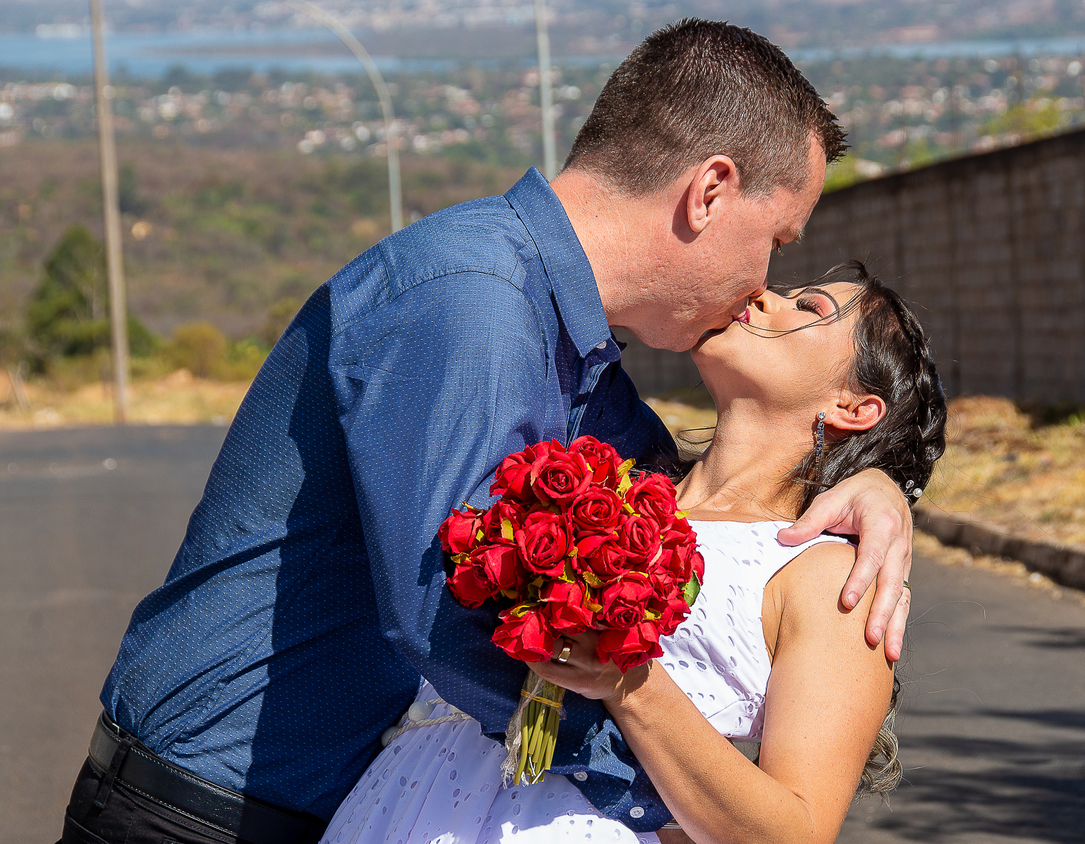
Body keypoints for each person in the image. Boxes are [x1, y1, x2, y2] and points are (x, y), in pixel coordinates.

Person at [59, 20, 916, 844]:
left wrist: (874, 484)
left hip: (322, 805)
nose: (765, 278)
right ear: (710, 191)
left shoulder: (562, 342)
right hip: (207, 811)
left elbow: (676, 494)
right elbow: (451, 617)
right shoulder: (474, 302)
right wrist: (665, 799)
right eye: (778, 238)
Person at [320, 261, 948, 844]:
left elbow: (796, 831)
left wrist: (630, 683)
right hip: (403, 804)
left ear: (855, 407)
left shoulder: (832, 573)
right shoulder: (605, 478)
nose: (761, 295)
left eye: (806, 308)